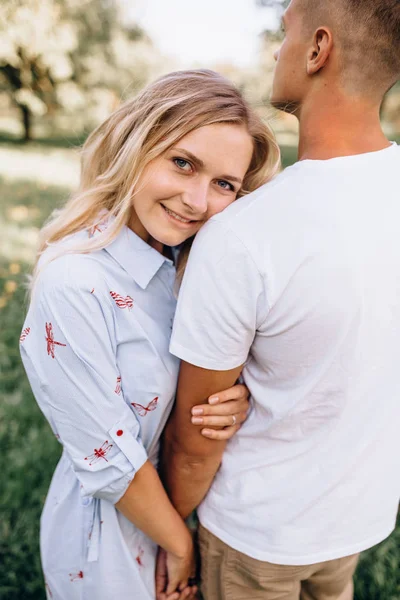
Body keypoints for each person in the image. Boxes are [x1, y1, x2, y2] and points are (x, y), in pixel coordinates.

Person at [164, 2, 400, 599]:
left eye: (286, 31)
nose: (277, 50)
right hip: (361, 516)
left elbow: (196, 440)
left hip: (256, 534)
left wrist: (169, 532)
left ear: (319, 48)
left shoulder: (244, 234)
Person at [19, 69, 280, 600]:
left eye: (224, 184)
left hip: (176, 505)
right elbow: (106, 457)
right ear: (138, 147)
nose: (197, 200)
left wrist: (235, 396)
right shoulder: (75, 283)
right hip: (110, 535)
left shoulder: (187, 266)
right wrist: (178, 545)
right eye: (182, 163)